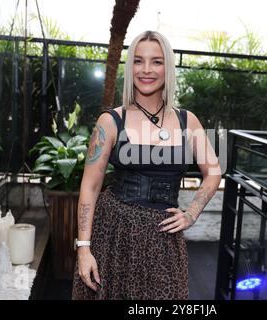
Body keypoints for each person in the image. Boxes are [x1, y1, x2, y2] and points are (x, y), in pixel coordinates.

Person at [72, 30, 222, 300]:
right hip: (114, 233)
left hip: (163, 239)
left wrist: (191, 214)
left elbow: (213, 172)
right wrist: (83, 248)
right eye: (138, 61)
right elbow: (90, 186)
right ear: (130, 68)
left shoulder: (189, 121)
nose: (146, 70)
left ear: (168, 68)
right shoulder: (110, 121)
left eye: (157, 61)